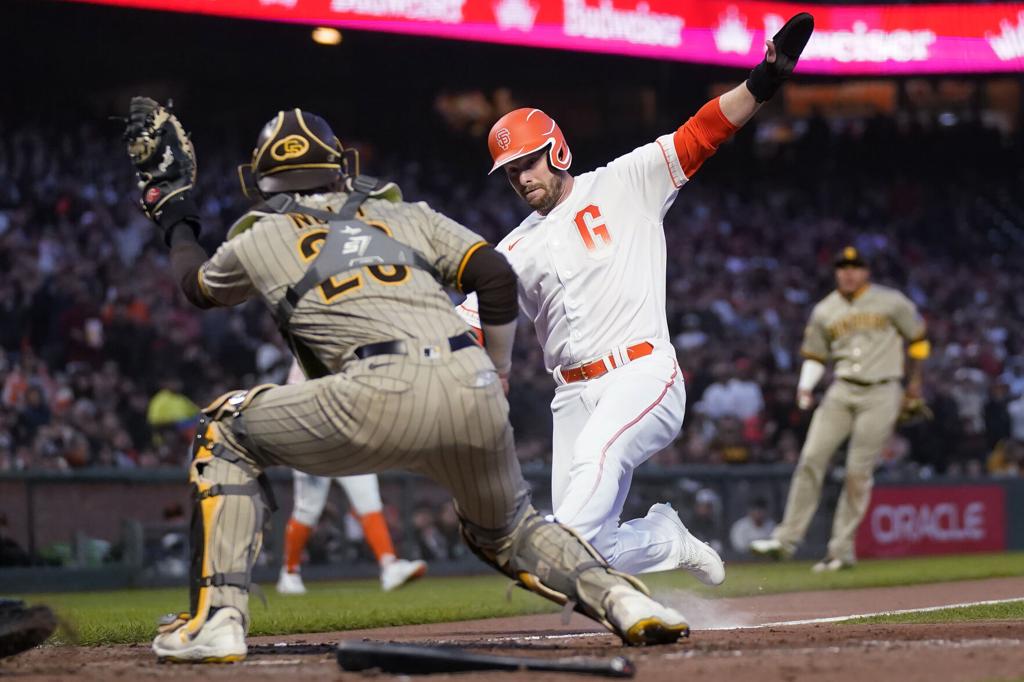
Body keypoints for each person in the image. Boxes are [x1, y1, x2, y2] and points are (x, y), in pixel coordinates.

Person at [125, 99, 691, 662]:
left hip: (371, 391)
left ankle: (218, 619)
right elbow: (494, 274)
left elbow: (197, 286)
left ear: (264, 181)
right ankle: (623, 599)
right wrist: (494, 372)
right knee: (511, 529)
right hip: (466, 384)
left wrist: (177, 218)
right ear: (341, 166)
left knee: (224, 429)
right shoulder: (403, 212)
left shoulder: (261, 235)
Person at [459, 14, 814, 581]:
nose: (521, 178)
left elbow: (701, 134)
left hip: (642, 374)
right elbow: (472, 324)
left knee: (579, 500)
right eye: (509, 172)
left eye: (527, 162)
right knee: (589, 550)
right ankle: (663, 539)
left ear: (556, 152)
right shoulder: (511, 250)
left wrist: (762, 83)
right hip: (571, 397)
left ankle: (551, 544)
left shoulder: (623, 183)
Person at [751, 246, 930, 571]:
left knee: (856, 472)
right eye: (843, 267)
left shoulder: (892, 301)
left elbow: (918, 339)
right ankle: (786, 539)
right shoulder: (824, 310)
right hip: (842, 389)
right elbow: (816, 356)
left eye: (855, 266)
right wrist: (805, 386)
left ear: (866, 271)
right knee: (810, 459)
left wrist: (915, 384)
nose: (848, 272)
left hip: (882, 390)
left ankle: (841, 551)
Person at [278, 363, 426, 595]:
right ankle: (289, 574)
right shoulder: (305, 349)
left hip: (347, 441)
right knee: (308, 510)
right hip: (313, 443)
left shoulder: (348, 345)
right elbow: (295, 400)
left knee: (369, 502)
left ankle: (389, 566)